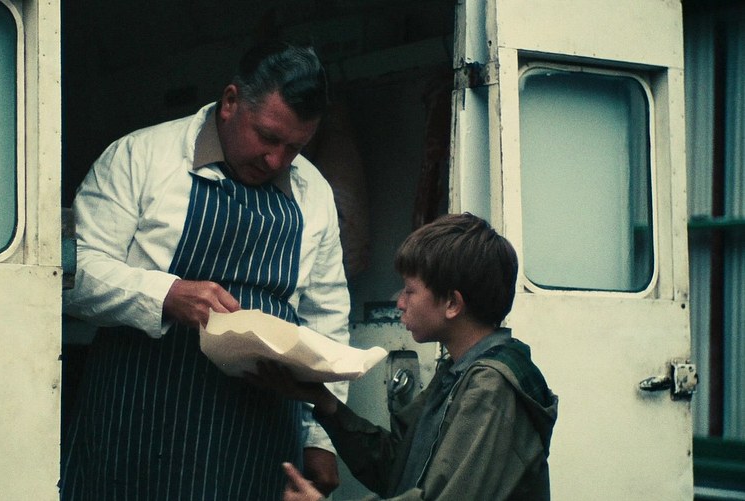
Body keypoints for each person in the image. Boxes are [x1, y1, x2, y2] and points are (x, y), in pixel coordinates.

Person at [60, 40, 350, 500]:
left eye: (295, 147)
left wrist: (320, 437)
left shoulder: (313, 191)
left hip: (258, 436)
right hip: (139, 420)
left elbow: (325, 318)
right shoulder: (141, 156)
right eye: (267, 137)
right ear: (231, 101)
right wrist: (166, 295)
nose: (276, 160)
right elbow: (72, 275)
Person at [251, 212, 559, 500]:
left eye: (410, 291)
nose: (400, 303)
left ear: (452, 304)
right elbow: (396, 468)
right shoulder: (458, 371)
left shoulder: (491, 387)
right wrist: (325, 403)